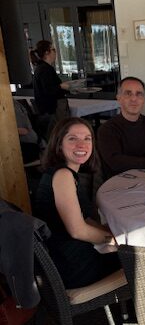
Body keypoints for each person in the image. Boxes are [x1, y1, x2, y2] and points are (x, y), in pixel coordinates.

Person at [35, 118, 121, 289]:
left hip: (65, 257)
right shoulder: (63, 176)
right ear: (59, 144)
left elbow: (85, 220)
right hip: (72, 267)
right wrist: (114, 240)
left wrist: (115, 233)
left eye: (87, 138)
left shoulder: (65, 173)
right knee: (140, 258)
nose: (82, 144)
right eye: (72, 138)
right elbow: (77, 231)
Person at [30, 40, 70, 135]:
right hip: (53, 109)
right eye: (53, 50)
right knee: (58, 133)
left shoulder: (41, 68)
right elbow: (49, 90)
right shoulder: (45, 69)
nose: (55, 52)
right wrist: (61, 86)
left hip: (49, 109)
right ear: (46, 52)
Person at [13, 99, 41, 163]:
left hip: (29, 143)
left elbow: (25, 130)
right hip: (28, 144)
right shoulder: (13, 104)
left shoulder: (14, 104)